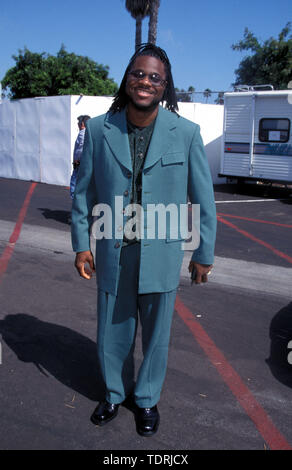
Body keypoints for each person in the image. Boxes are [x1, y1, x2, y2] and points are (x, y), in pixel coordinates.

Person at [71, 44, 217, 437]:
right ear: (127, 77)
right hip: (114, 250)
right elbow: (83, 193)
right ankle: (114, 393)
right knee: (112, 330)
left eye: (155, 77)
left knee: (156, 334)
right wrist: (81, 245)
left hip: (162, 252)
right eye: (139, 73)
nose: (145, 82)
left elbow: (203, 197)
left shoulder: (186, 133)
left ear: (165, 86)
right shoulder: (101, 128)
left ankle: (147, 399)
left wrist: (204, 252)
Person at [70, 115, 91, 199]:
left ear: (82, 123)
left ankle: (75, 208)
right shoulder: (90, 133)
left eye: (78, 122)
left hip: (79, 165)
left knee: (74, 186)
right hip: (86, 164)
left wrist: (77, 160)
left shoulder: (82, 133)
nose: (78, 124)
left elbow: (81, 148)